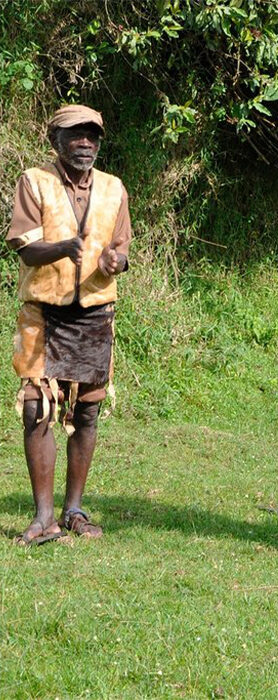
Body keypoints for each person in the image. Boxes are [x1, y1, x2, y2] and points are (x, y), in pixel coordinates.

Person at [6, 104, 131, 545]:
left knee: (88, 412)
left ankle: (74, 508)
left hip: (96, 313)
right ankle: (43, 517)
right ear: (55, 140)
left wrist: (117, 261)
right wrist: (62, 248)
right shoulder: (34, 182)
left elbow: (122, 248)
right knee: (37, 408)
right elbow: (24, 248)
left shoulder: (114, 188)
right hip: (44, 311)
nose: (85, 143)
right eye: (75, 135)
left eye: (92, 136)